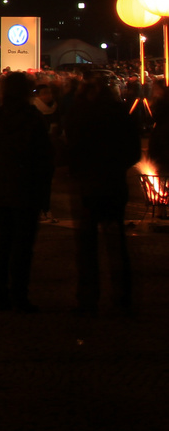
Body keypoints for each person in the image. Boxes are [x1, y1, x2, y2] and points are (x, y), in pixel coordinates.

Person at [64, 72, 137, 315]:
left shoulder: (78, 114)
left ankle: (87, 299)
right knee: (116, 242)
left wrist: (78, 170)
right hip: (114, 183)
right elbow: (133, 151)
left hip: (87, 185)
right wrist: (117, 167)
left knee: (87, 246)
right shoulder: (119, 114)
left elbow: (70, 149)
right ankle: (123, 297)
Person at [0, 73, 54, 312]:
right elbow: (44, 158)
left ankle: (0, 293)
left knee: (2, 242)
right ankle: (19, 294)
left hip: (1, 184)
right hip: (26, 185)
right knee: (23, 245)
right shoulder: (33, 119)